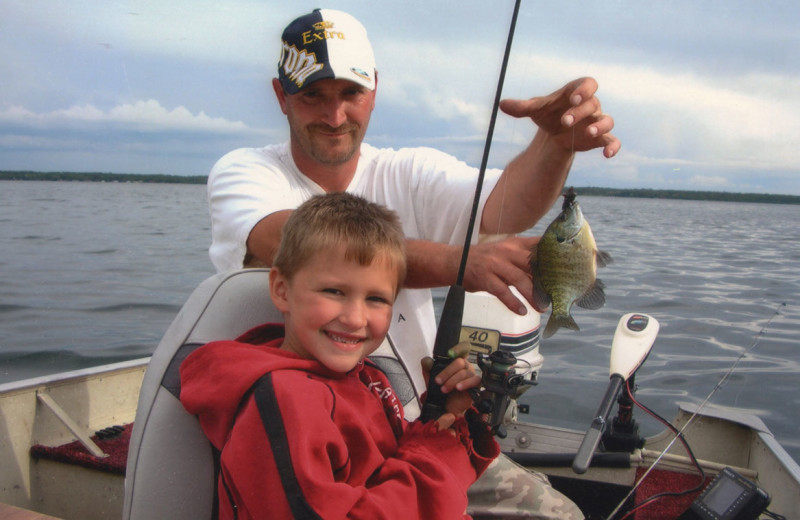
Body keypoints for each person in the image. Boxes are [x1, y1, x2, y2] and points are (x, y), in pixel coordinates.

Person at [207, 8, 614, 517]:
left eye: (350, 94)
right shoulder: (244, 173)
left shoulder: (408, 171)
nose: (334, 116)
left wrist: (555, 144)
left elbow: (505, 207)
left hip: (421, 427)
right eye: (313, 95)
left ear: (373, 89)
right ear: (281, 95)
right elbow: (299, 240)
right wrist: (462, 263)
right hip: (329, 444)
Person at [181, 192, 500, 519]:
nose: (355, 319)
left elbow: (386, 467)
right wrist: (436, 458)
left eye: (376, 299)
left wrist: (443, 420)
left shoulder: (363, 375)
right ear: (281, 290)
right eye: (334, 292)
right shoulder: (286, 401)